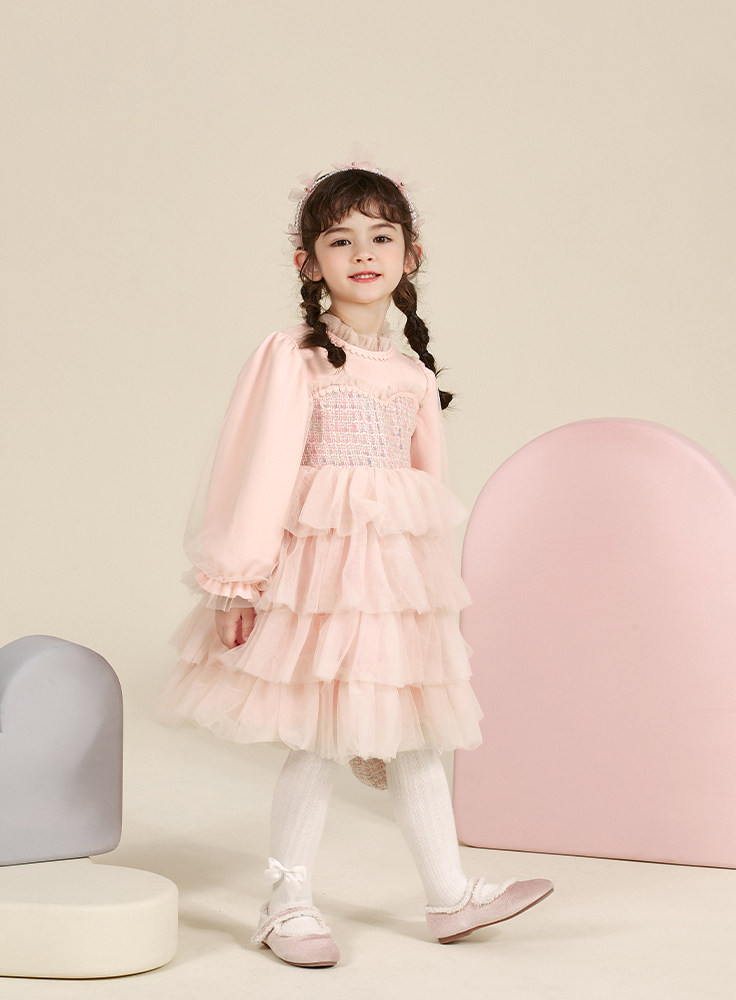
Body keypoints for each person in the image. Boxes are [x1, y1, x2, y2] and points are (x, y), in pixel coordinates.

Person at [160, 161, 553, 968]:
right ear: (309, 263)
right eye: (340, 240)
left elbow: (426, 493)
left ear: (412, 254)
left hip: (389, 587)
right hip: (315, 584)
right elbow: (254, 470)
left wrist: (424, 599)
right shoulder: (294, 356)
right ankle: (286, 901)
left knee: (415, 735)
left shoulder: (411, 374)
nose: (363, 253)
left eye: (381, 236)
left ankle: (448, 894)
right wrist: (239, 581)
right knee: (317, 736)